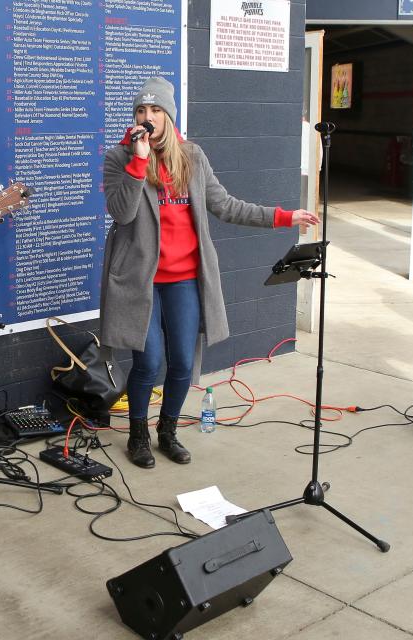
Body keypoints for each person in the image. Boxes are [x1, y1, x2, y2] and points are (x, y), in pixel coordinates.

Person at [99, 77, 319, 469]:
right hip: (139, 282)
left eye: (155, 111)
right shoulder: (119, 158)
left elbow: (226, 205)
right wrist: (138, 160)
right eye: (140, 111)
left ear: (168, 116)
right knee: (148, 363)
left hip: (183, 280)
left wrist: (285, 217)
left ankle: (167, 431)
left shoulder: (193, 157)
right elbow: (122, 213)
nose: (147, 117)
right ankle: (138, 436)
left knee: (183, 362)